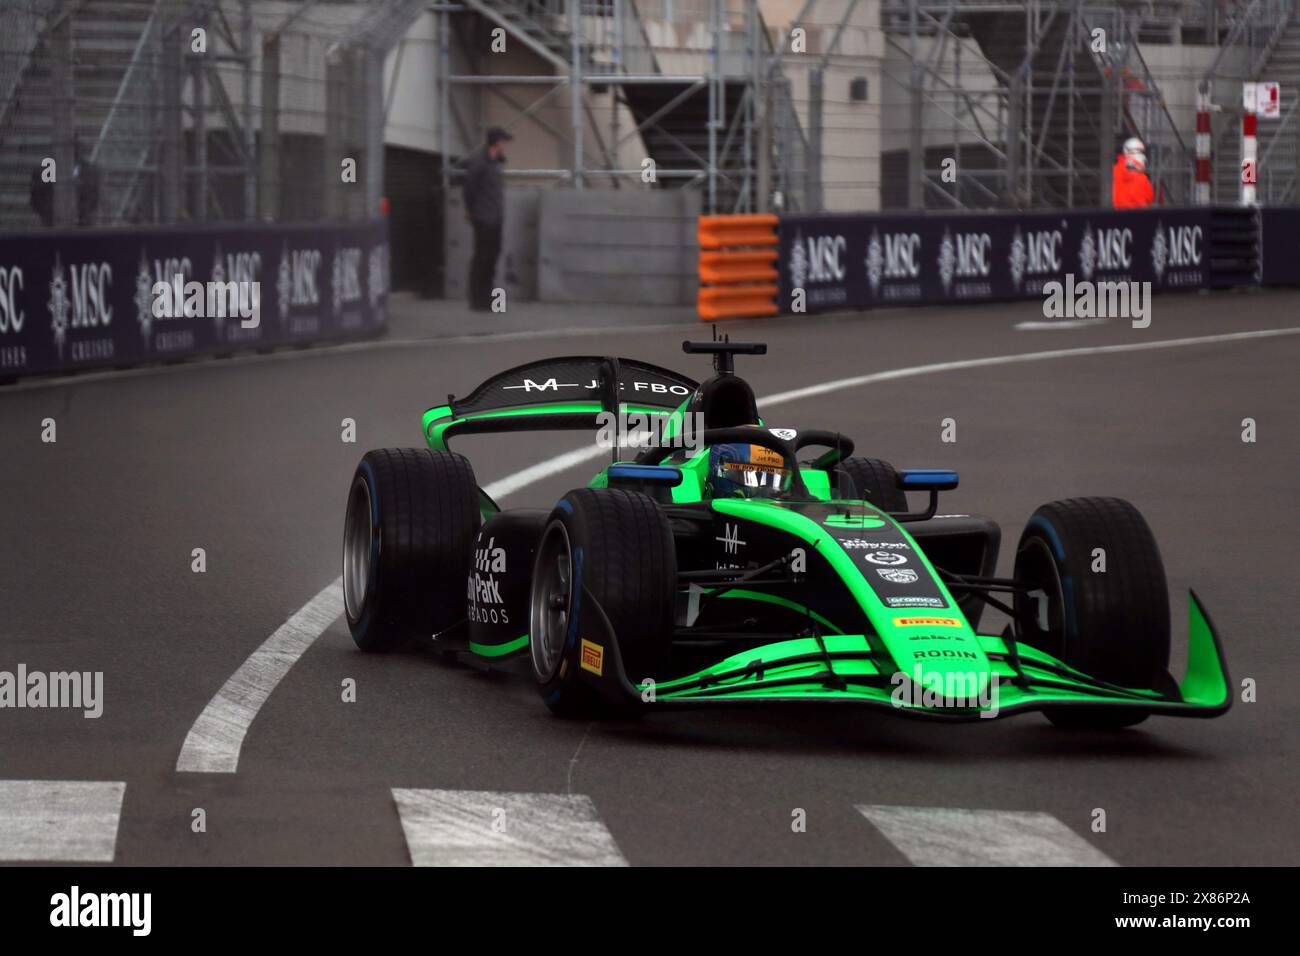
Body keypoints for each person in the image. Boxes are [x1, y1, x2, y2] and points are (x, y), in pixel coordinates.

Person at [461, 126, 513, 312]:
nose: (506, 144)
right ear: (497, 142)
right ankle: (477, 300)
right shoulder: (480, 163)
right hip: (483, 217)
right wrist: (470, 210)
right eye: (504, 141)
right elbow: (469, 189)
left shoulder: (497, 162)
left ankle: (489, 300)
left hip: (496, 217)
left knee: (492, 257)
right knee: (482, 258)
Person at [1112, 137, 1154, 209]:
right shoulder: (1142, 179)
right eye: (1140, 152)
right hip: (1136, 217)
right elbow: (1149, 199)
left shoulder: (1113, 172)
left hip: (1116, 217)